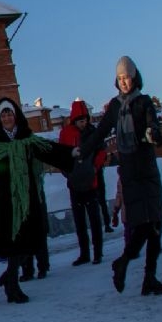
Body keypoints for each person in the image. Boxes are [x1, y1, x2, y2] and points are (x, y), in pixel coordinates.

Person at [74, 57, 162, 296]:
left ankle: (145, 275)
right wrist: (82, 151)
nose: (124, 82)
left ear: (134, 77)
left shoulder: (144, 102)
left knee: (153, 224)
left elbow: (153, 125)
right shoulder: (115, 107)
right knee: (145, 225)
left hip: (146, 168)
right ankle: (129, 265)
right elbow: (100, 133)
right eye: (120, 78)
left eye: (127, 77)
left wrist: (152, 132)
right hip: (131, 171)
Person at [0, 98, 74, 304]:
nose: (7, 118)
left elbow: (48, 149)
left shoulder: (27, 139)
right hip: (7, 200)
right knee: (15, 244)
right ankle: (12, 285)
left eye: (9, 114)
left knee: (30, 241)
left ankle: (9, 277)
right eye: (3, 115)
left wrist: (71, 153)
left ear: (15, 116)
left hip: (27, 197)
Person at [58, 99, 107, 266]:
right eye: (79, 120)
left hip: (91, 183)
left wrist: (94, 168)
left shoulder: (93, 133)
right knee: (79, 222)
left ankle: (98, 252)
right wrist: (67, 172)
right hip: (74, 184)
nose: (83, 123)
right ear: (74, 120)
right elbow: (61, 155)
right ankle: (84, 254)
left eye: (84, 120)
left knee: (94, 219)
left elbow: (101, 152)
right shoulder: (66, 134)